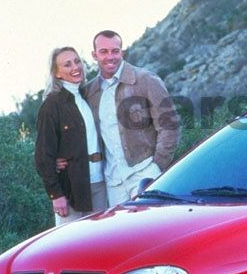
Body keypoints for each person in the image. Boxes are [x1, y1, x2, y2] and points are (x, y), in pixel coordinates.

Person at [84, 30, 180, 205]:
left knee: (151, 229)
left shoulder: (145, 80)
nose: (110, 57)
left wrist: (157, 166)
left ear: (122, 52)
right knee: (121, 232)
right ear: (94, 55)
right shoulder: (91, 92)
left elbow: (169, 125)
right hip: (113, 182)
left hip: (145, 172)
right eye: (103, 52)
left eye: (115, 51)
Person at [35, 47, 107, 225]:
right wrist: (56, 194)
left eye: (77, 61)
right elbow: (43, 155)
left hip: (100, 182)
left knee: (100, 242)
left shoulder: (87, 97)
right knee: (71, 244)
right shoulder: (52, 105)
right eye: (67, 64)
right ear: (57, 73)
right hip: (71, 187)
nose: (75, 67)